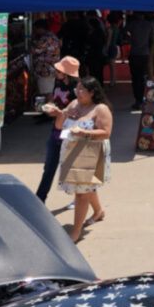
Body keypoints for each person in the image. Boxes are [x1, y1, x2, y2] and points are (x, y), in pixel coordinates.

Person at [45, 76, 112, 243]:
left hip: (91, 154)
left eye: (82, 90)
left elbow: (105, 132)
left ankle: (76, 231)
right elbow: (59, 126)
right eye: (77, 89)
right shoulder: (73, 104)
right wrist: (62, 113)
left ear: (92, 92)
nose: (78, 93)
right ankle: (98, 212)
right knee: (87, 188)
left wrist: (85, 133)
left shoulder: (100, 109)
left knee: (82, 193)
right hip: (72, 152)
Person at [36, 56, 79, 203]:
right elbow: (54, 101)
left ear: (67, 73)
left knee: (72, 166)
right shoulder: (58, 83)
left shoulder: (78, 90)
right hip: (55, 129)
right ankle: (40, 199)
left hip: (70, 131)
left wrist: (60, 113)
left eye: (59, 70)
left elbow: (78, 114)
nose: (56, 72)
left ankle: (81, 198)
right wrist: (49, 106)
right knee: (49, 166)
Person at [124, 12, 154, 110]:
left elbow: (126, 35)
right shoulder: (149, 25)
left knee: (135, 78)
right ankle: (142, 99)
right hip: (144, 53)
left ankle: (138, 100)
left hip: (134, 53)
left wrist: (132, 38)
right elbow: (153, 39)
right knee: (143, 78)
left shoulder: (131, 25)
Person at [31, 19, 61, 102]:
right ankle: (46, 111)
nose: (35, 31)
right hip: (50, 69)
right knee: (47, 91)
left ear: (40, 28)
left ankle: (48, 112)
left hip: (46, 69)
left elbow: (35, 50)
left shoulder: (46, 38)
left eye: (35, 29)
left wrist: (31, 41)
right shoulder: (52, 36)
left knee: (46, 92)